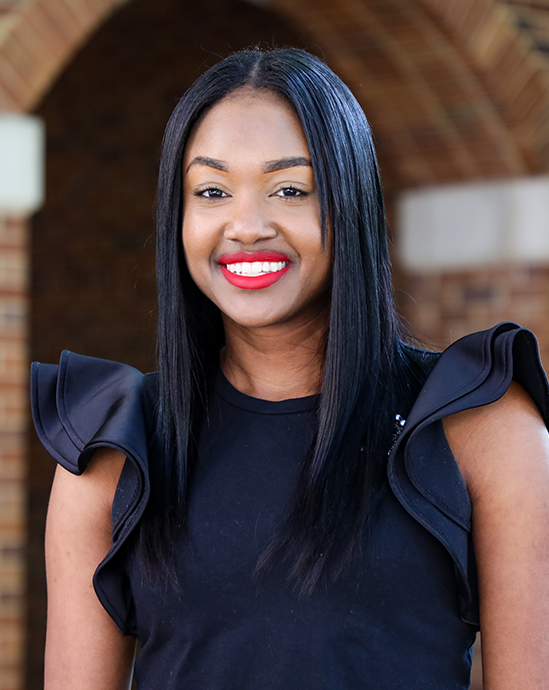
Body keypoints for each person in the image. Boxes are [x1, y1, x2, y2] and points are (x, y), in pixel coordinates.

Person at [31, 48, 549, 690]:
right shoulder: (113, 447)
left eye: (290, 189)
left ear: (351, 206)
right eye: (212, 191)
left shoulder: (480, 426)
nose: (245, 226)